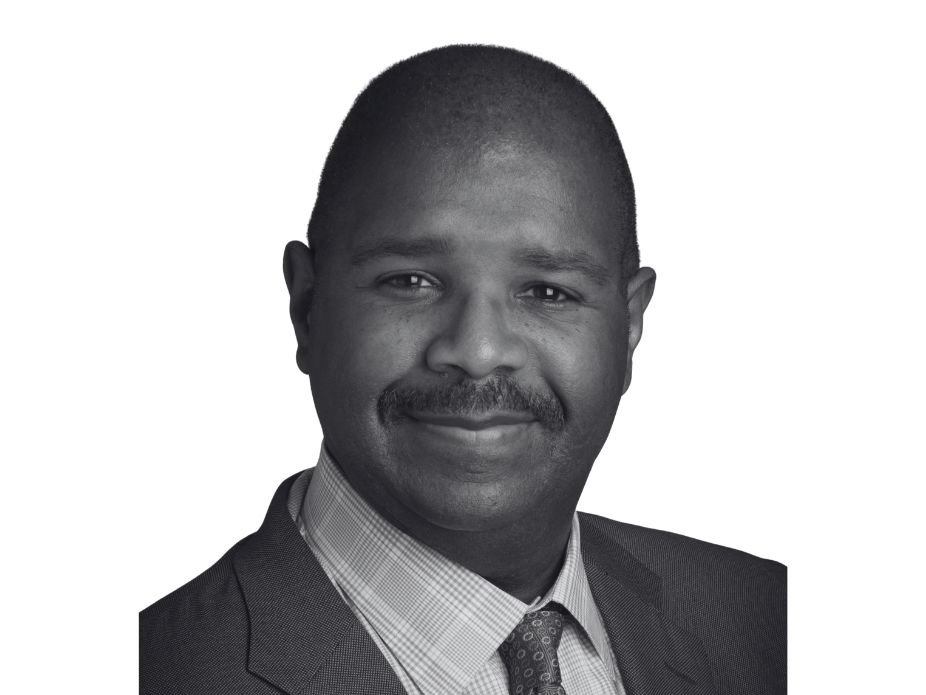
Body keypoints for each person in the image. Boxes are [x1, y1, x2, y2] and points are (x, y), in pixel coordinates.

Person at [140, 45, 786, 695]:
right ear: (308, 308)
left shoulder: (766, 620)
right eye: (410, 281)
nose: (476, 350)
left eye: (548, 292)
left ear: (629, 326)